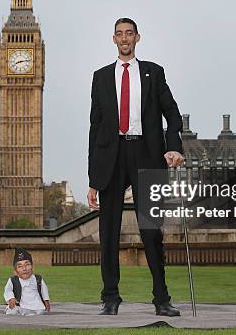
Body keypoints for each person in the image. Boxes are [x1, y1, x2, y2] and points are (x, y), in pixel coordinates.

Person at [87, 17, 184, 316]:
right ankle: (111, 298)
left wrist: (173, 147)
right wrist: (93, 178)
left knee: (151, 231)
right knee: (109, 231)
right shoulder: (101, 77)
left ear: (137, 38)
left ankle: (161, 299)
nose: (125, 38)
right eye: (120, 34)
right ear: (113, 39)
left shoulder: (154, 73)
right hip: (111, 158)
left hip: (146, 153)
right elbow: (95, 127)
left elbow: (173, 114)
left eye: (129, 33)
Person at [4, 247, 50, 316]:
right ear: (15, 271)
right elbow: (8, 290)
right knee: (12, 311)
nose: (24, 269)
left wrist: (46, 301)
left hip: (37, 306)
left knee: (40, 312)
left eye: (27, 265)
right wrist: (11, 298)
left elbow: (44, 290)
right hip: (21, 305)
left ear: (32, 267)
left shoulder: (38, 279)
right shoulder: (13, 280)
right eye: (20, 266)